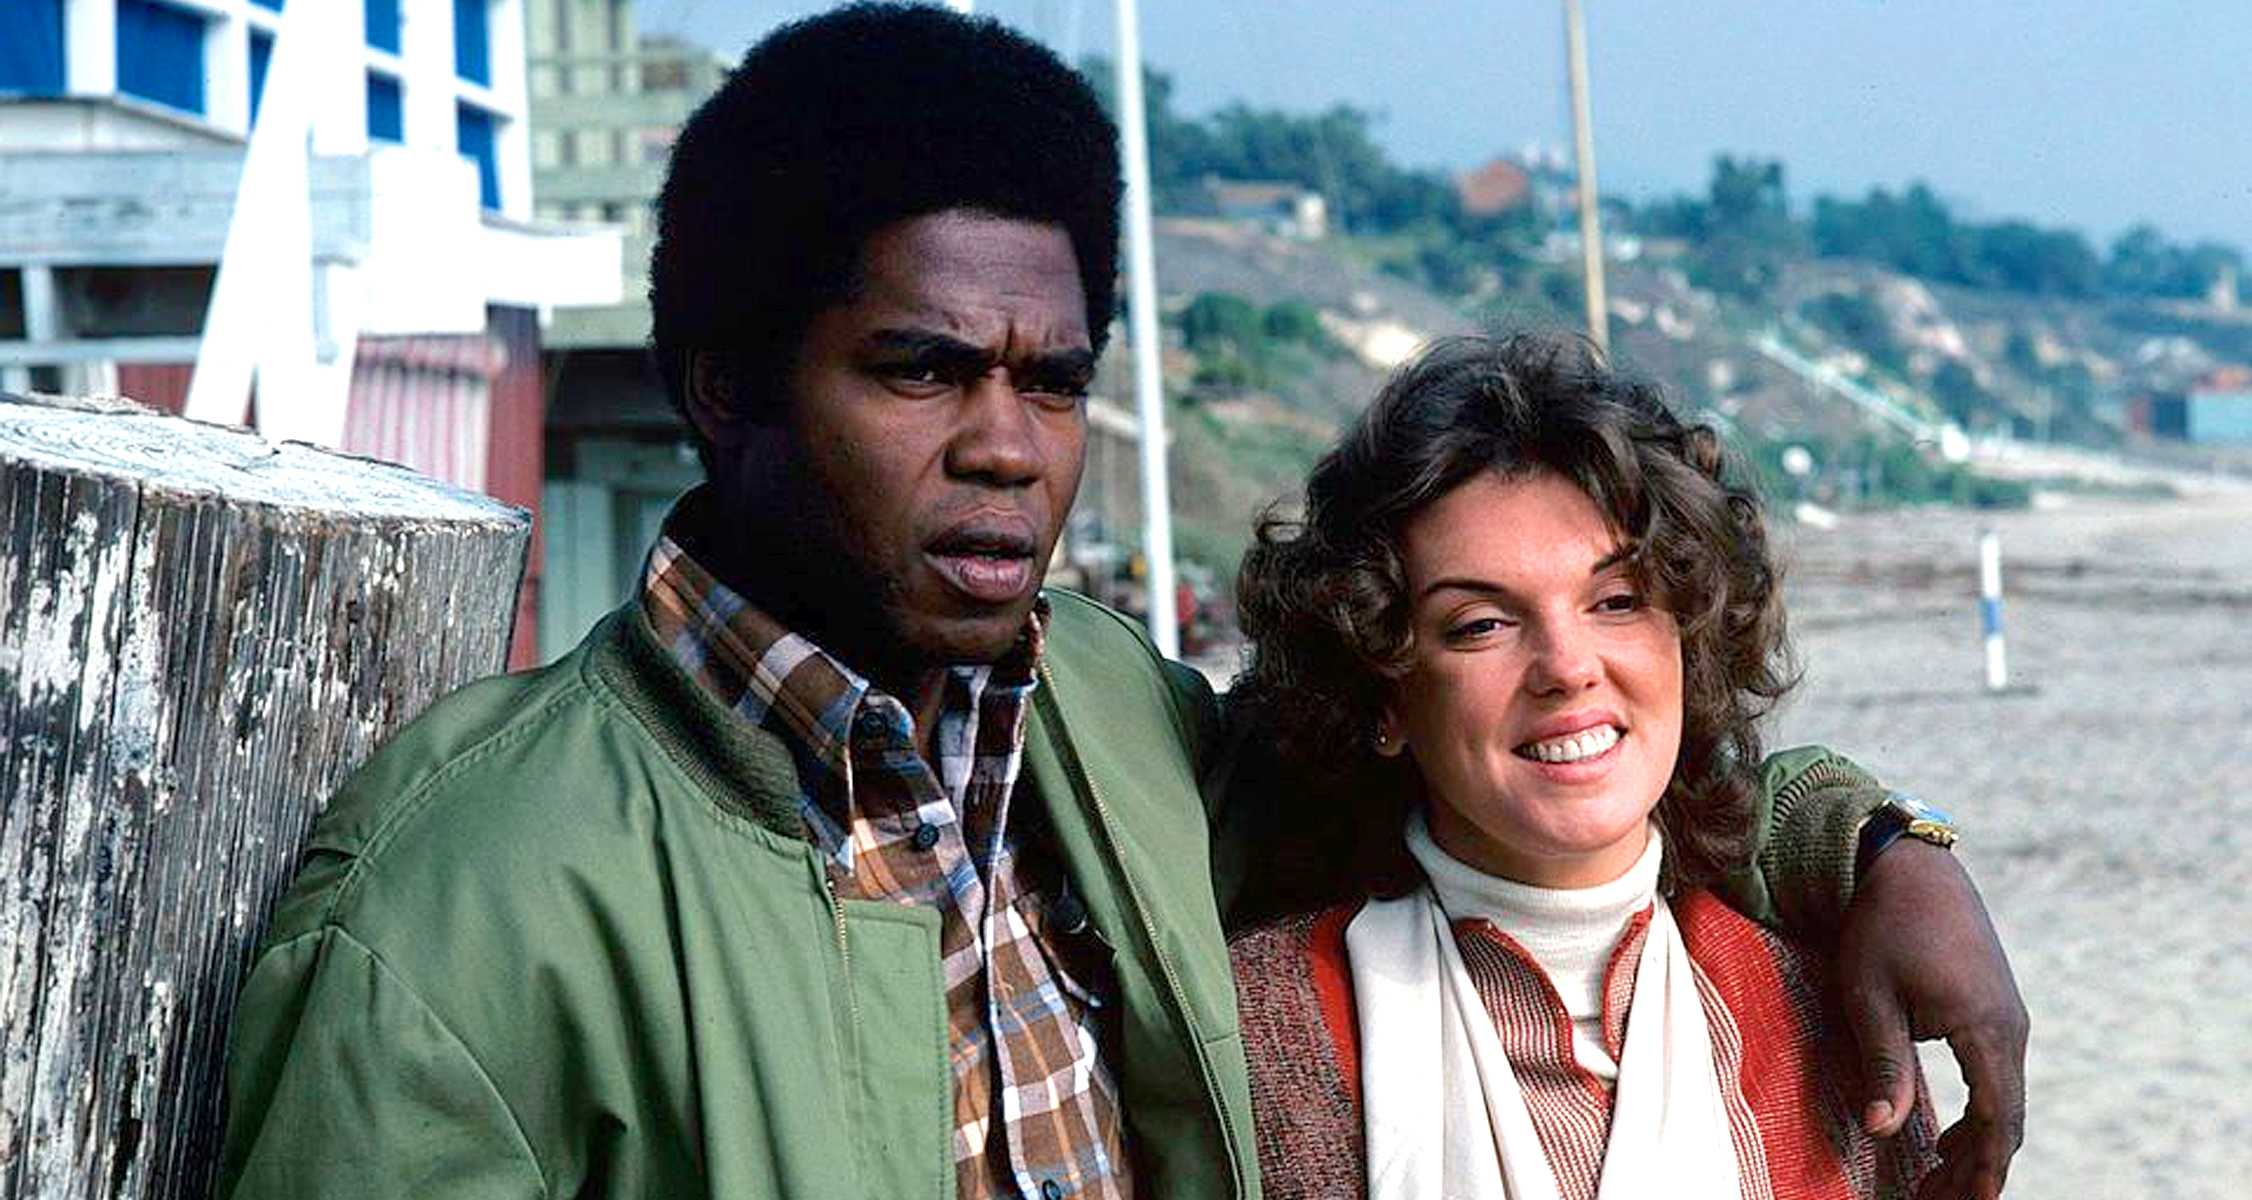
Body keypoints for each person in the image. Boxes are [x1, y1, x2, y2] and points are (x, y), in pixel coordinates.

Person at [215, 6, 2023, 1198]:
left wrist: (1881, 845)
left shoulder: (1104, 721)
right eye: (922, 372)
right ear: (727, 386)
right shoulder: (456, 901)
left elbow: (1512, 764)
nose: (1011, 448)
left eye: (1056, 381)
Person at [1230, 333, 1959, 1199]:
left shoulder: (1826, 1019)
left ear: (1689, 637)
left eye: (1617, 601)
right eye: (1480, 624)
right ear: (1382, 696)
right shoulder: (1255, 1034)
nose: (1568, 666)